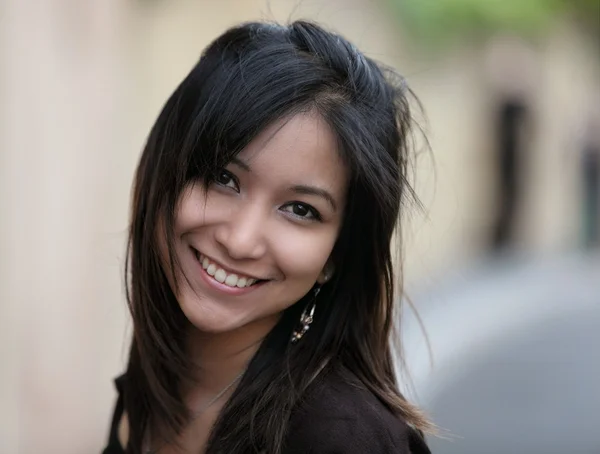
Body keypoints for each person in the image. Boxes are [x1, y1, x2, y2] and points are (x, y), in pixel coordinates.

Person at [102, 19, 433, 454]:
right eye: (223, 178)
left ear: (335, 255)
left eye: (300, 210)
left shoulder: (340, 438)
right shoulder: (152, 389)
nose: (240, 241)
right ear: (165, 172)